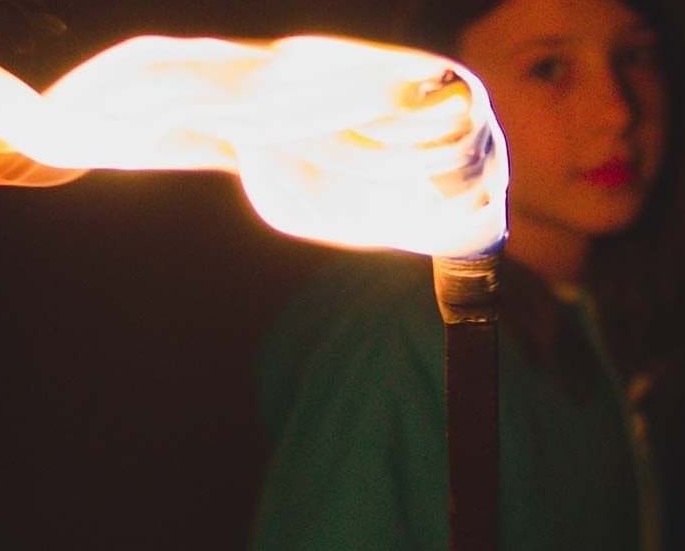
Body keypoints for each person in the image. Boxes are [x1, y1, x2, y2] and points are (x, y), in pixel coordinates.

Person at [251, 0, 685, 549]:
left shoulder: (623, 315)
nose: (617, 111)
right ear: (441, 100)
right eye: (549, 69)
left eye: (635, 55)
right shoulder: (403, 341)